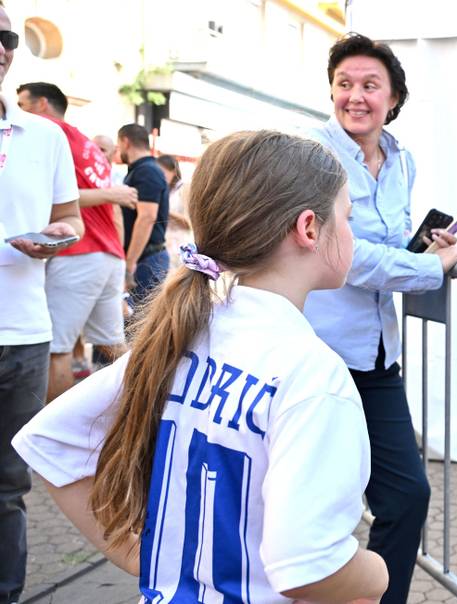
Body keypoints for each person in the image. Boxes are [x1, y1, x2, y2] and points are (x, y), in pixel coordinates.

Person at [12, 130, 389, 603]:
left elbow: (51, 442)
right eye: (348, 217)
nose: (352, 232)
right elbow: (307, 566)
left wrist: (138, 555)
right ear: (309, 228)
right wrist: (376, 572)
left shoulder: (183, 337)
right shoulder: (313, 375)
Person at [303, 32, 457, 603]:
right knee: (312, 502)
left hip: (377, 357)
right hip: (315, 358)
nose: (355, 96)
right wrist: (433, 269)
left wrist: (426, 246)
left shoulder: (401, 159)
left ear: (393, 97)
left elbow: (389, 241)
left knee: (405, 497)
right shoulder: (313, 156)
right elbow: (343, 254)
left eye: (370, 85)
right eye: (344, 84)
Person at [0, 4, 83, 602]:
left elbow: (70, 218)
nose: (1, 47)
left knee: (7, 486)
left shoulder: (45, 134)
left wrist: (53, 241)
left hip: (23, 333)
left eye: (6, 36)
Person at [16, 82, 137, 401]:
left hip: (80, 254)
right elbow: (112, 211)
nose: (18, 113)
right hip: (107, 254)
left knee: (56, 349)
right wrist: (123, 262)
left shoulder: (46, 131)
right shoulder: (83, 143)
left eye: (23, 105)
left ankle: (53, 437)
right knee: (112, 345)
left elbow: (59, 197)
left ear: (42, 105)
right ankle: (146, 406)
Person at [117, 123, 169, 307]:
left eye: (118, 145)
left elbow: (147, 217)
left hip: (146, 260)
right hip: (144, 259)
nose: (118, 150)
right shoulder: (142, 170)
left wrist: (130, 264)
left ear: (125, 141)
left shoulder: (147, 170)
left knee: (140, 324)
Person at [156, 154, 192, 267]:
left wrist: (164, 210)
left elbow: (189, 223)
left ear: (173, 170)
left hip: (179, 247)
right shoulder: (164, 189)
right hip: (163, 247)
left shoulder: (184, 189)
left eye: (162, 172)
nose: (159, 176)